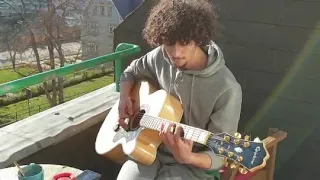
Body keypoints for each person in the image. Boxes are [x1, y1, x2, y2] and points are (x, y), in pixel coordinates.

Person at [116, 0, 242, 179]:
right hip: (148, 148)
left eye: (184, 43)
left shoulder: (227, 89)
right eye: (169, 43)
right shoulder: (160, 56)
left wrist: (188, 157)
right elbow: (130, 72)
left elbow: (220, 154)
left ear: (199, 39)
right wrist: (123, 99)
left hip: (193, 167)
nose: (175, 53)